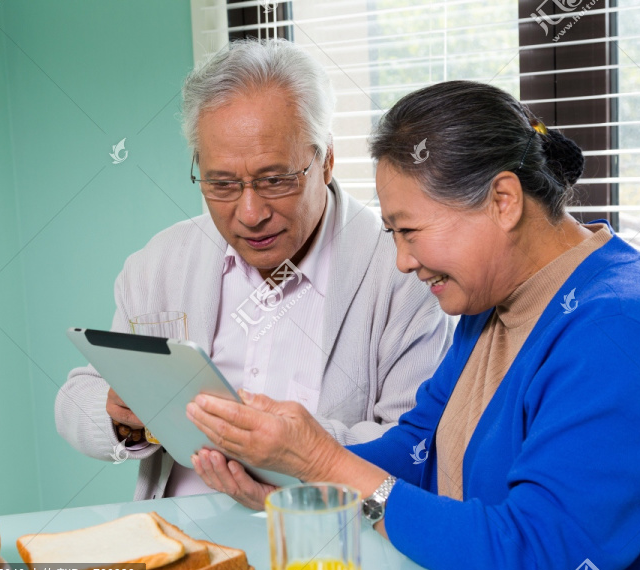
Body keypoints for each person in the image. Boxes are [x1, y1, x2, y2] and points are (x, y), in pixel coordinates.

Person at [186, 80, 640, 570]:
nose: (402, 261)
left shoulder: (622, 331)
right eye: (392, 235)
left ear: (503, 201)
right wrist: (302, 481)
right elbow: (419, 452)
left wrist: (326, 465)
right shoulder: (494, 302)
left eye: (411, 231)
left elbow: (537, 569)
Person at [54, 39, 454, 503]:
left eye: (274, 180)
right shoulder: (158, 263)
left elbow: (414, 449)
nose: (249, 213)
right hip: (184, 539)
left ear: (324, 160)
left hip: (327, 539)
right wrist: (119, 416)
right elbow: (77, 398)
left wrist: (294, 449)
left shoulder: (403, 269)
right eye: (222, 184)